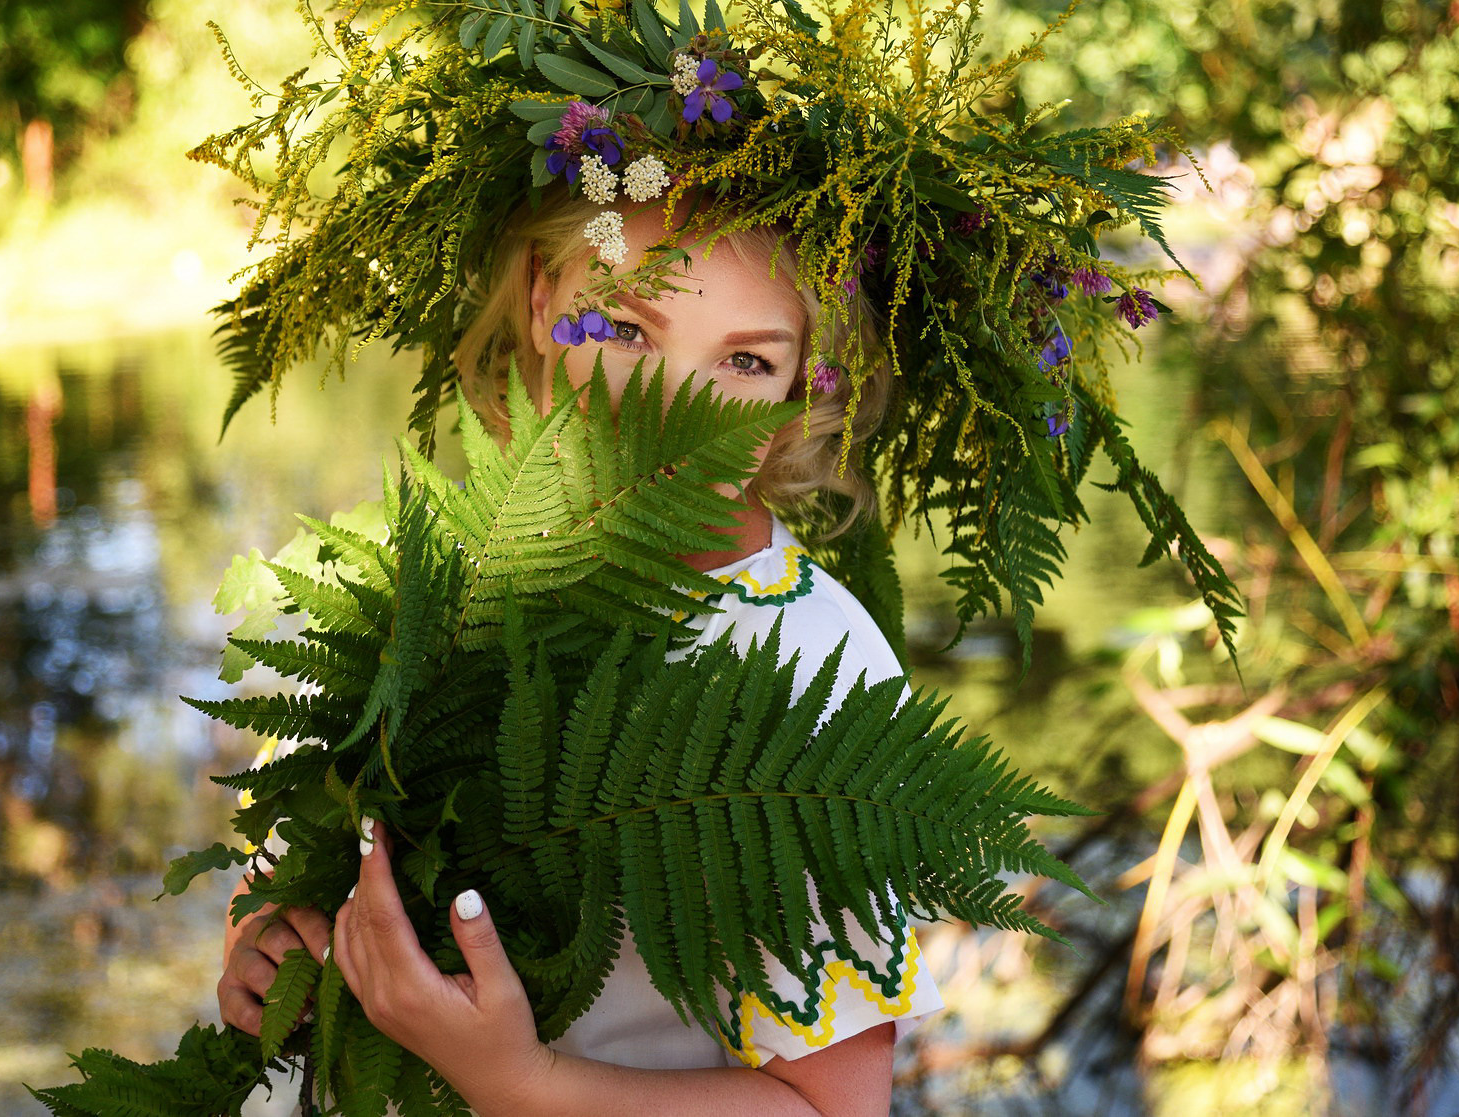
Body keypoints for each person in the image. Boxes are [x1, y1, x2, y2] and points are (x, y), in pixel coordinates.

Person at [213, 190, 944, 1115]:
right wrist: (262, 944)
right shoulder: (442, 561)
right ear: (536, 298)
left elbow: (832, 1107)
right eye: (626, 329)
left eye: (746, 361)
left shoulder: (807, 668)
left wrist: (518, 1082)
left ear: (803, 383)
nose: (669, 408)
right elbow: (288, 861)